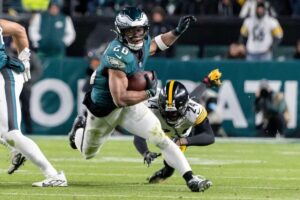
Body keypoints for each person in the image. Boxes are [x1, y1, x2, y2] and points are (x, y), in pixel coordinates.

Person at [68, 7, 211, 192]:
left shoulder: (141, 41)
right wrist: (148, 93)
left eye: (139, 30)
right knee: (88, 152)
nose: (136, 35)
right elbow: (119, 98)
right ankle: (78, 130)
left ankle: (191, 178)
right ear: (121, 31)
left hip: (130, 105)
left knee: (161, 138)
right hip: (104, 110)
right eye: (130, 31)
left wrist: (177, 31)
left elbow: (157, 44)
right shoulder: (117, 55)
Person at [0, 19, 67, 186]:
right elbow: (19, 30)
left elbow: (19, 30)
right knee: (5, 132)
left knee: (11, 133)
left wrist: (25, 60)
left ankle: (54, 175)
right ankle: (17, 149)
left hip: (5, 76)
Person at [133, 74, 221, 183]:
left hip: (181, 134)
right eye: (167, 112)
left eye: (175, 113)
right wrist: (145, 152)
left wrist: (184, 141)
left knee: (171, 164)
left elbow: (209, 136)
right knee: (171, 158)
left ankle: (165, 172)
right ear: (160, 105)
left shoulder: (194, 110)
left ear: (184, 106)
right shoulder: (150, 107)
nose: (171, 116)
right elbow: (138, 136)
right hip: (160, 131)